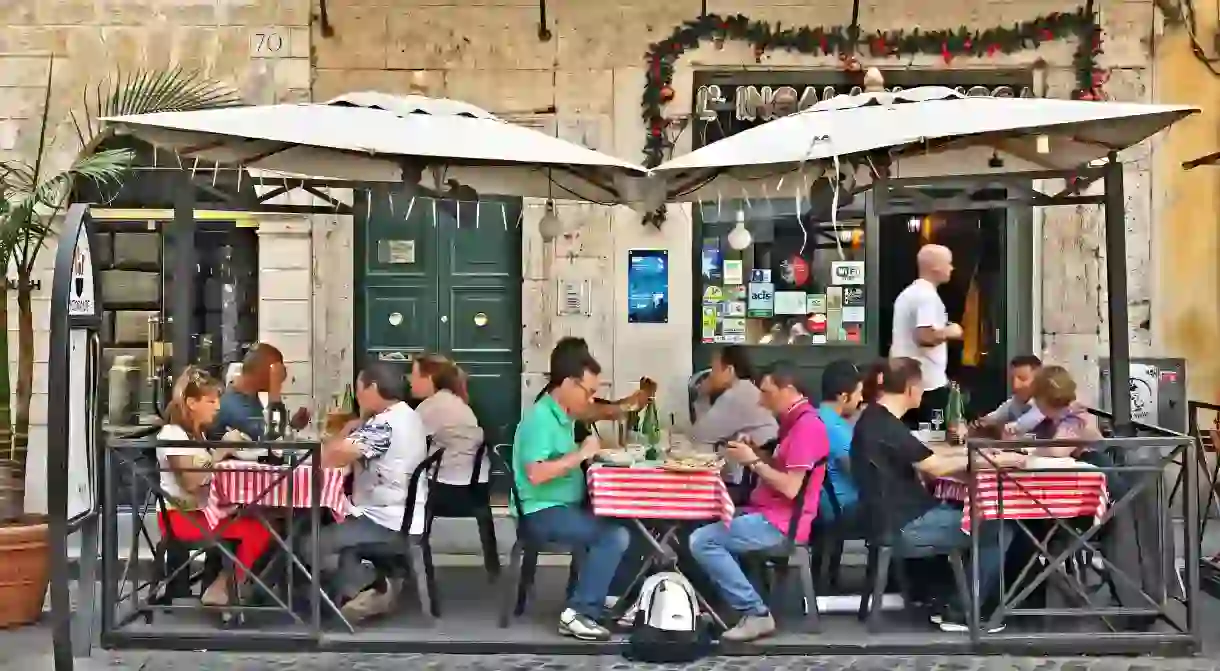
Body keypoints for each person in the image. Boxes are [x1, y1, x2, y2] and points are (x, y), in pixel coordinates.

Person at [851, 357, 1022, 632]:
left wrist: (973, 458)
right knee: (998, 527)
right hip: (905, 525)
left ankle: (954, 600)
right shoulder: (886, 425)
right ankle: (962, 612)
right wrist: (988, 461)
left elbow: (926, 458)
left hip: (891, 519)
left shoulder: (876, 419)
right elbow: (934, 466)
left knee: (971, 514)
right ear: (910, 389)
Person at [689, 363, 831, 642]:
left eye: (766, 392)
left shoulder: (807, 426)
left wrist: (752, 461)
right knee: (700, 518)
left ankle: (755, 612)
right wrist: (755, 452)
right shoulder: (793, 422)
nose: (760, 400)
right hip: (766, 511)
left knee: (702, 540)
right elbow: (782, 467)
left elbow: (791, 487)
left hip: (781, 523)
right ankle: (715, 604)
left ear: (788, 390)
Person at [513, 346, 630, 641]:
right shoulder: (541, 419)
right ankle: (580, 613)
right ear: (567, 383)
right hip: (541, 510)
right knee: (613, 536)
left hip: (562, 505)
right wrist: (580, 456)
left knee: (627, 522)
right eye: (588, 392)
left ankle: (602, 596)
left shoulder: (563, 417)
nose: (590, 400)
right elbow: (536, 474)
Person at [313, 362, 430, 624]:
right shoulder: (408, 415)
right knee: (328, 534)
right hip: (403, 514)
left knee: (308, 543)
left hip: (384, 521)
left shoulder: (383, 426)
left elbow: (330, 457)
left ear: (373, 388)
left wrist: (348, 428)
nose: (357, 396)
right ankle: (358, 588)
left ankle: (374, 588)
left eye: (359, 389)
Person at [156, 367, 274, 606]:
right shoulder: (172, 434)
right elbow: (190, 482)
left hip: (203, 512)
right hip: (182, 516)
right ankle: (222, 589)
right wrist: (222, 450)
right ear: (191, 403)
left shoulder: (196, 436)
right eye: (211, 401)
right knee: (261, 529)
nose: (218, 407)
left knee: (270, 519)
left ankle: (235, 587)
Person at [889, 244, 963, 426]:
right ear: (935, 267)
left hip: (909, 382)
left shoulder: (907, 294)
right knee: (932, 438)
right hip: (927, 386)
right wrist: (952, 331)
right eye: (949, 263)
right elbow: (923, 336)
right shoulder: (927, 297)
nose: (952, 268)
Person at [535, 337, 652, 444]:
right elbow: (597, 411)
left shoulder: (568, 396)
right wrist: (629, 405)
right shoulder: (549, 408)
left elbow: (606, 407)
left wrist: (634, 402)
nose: (589, 400)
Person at [208, 343, 311, 440]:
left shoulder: (250, 399)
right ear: (261, 372)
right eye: (277, 369)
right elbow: (272, 440)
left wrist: (292, 426)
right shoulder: (233, 406)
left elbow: (271, 430)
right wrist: (275, 390)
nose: (281, 374)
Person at [690, 345, 779, 458]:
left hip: (761, 460)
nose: (710, 376)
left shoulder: (737, 395)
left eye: (714, 369)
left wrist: (702, 397)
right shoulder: (744, 388)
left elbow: (699, 435)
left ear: (729, 370)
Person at [817, 360, 863, 519]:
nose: (861, 399)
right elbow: (860, 473)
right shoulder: (835, 429)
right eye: (858, 393)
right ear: (844, 397)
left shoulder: (817, 416)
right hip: (849, 507)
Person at [1026, 365, 1103, 455]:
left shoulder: (1074, 416)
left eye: (1036, 398)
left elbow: (1058, 451)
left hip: (1096, 461)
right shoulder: (1055, 415)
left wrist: (1033, 451)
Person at [973, 355, 1045, 438]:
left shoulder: (1048, 403)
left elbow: (1027, 422)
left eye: (1022, 379)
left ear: (1039, 380)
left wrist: (1006, 430)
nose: (1015, 385)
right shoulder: (1016, 402)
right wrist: (978, 424)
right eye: (1012, 379)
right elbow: (993, 417)